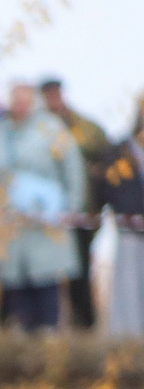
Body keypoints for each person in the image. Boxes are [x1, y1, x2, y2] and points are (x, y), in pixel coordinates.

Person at [0, 79, 87, 332]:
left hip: (46, 222)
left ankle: (49, 336)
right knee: (14, 282)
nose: (21, 105)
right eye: (16, 99)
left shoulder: (52, 130)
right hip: (10, 223)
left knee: (46, 280)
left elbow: (73, 170)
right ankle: (17, 339)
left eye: (26, 100)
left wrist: (69, 207)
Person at [39, 79, 113, 329]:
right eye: (47, 95)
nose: (53, 99)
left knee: (79, 274)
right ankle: (44, 327)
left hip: (81, 212)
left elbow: (108, 157)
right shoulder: (36, 130)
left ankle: (84, 326)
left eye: (55, 94)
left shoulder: (85, 128)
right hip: (42, 215)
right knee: (43, 273)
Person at [102, 98, 144, 337]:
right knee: (128, 293)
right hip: (130, 232)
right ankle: (128, 345)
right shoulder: (121, 152)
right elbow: (110, 187)